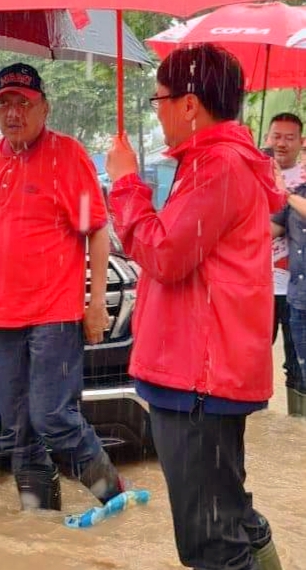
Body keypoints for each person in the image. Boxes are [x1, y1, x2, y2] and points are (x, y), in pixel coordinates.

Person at [106, 45, 284, 570]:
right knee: (231, 513)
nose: (156, 110)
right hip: (202, 369)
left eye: (160, 98)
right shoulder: (214, 162)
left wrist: (124, 182)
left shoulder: (216, 165)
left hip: (199, 376)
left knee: (211, 541)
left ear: (189, 105)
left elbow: (164, 253)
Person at [0, 63, 123, 511]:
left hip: (54, 313)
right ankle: (40, 516)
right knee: (16, 426)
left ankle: (114, 498)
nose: (13, 112)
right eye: (5, 103)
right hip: (1, 313)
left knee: (54, 419)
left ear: (44, 107)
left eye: (23, 103)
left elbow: (97, 229)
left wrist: (96, 304)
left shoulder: (69, 155)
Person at [265, 113, 306, 415]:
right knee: (250, 359)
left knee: (296, 363)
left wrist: (283, 190)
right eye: (276, 136)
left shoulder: (303, 180)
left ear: (301, 143)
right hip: (257, 285)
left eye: (289, 137)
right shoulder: (254, 172)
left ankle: (296, 422)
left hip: (294, 288)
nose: (281, 143)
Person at [271, 172, 306, 417]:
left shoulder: (292, 195)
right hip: (298, 301)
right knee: (301, 372)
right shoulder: (298, 193)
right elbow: (267, 230)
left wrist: (285, 193)